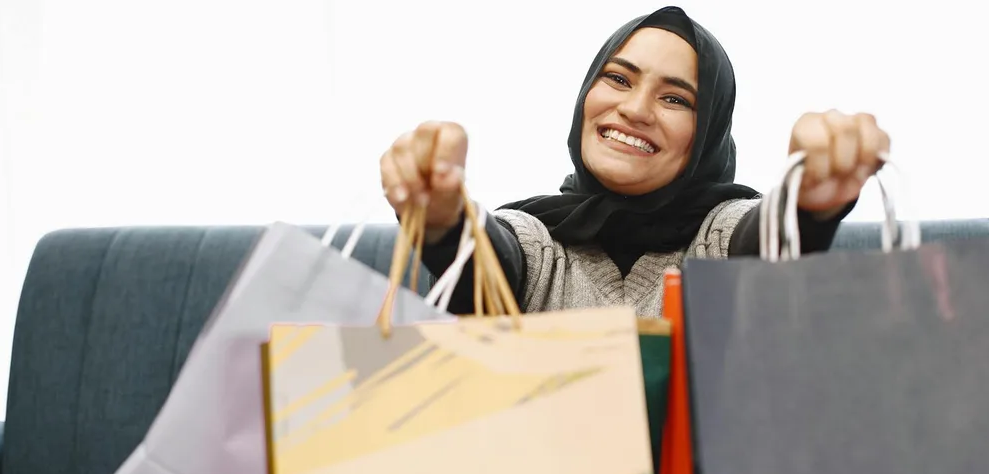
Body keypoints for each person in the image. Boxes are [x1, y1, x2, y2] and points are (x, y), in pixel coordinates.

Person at [379, 5, 891, 317]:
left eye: (675, 99)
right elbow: (489, 262)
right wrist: (445, 219)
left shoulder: (717, 234)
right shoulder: (537, 240)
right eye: (619, 79)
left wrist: (806, 205)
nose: (635, 109)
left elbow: (764, 247)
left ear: (707, 132)